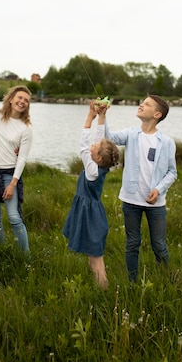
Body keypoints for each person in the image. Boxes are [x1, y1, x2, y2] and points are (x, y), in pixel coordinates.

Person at [104, 95, 177, 282]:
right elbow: (108, 137)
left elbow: (172, 172)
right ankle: (132, 282)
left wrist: (159, 190)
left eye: (147, 104)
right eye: (142, 102)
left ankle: (166, 279)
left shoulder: (166, 142)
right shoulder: (131, 134)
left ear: (157, 114)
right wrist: (102, 116)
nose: (141, 105)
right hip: (131, 201)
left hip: (156, 203)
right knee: (132, 243)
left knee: (159, 244)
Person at [63, 101, 120, 289]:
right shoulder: (99, 165)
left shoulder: (92, 170)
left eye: (95, 147)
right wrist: (101, 117)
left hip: (90, 216)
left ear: (98, 158)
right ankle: (99, 286)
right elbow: (99, 137)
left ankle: (104, 291)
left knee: (96, 260)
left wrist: (89, 117)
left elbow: (83, 146)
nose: (93, 145)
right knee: (93, 257)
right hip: (91, 213)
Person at [0, 85, 33, 253]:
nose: (22, 102)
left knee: (14, 217)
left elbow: (23, 158)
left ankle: (25, 258)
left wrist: (12, 183)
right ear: (11, 99)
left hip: (8, 175)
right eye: (19, 98)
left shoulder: (26, 128)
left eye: (26, 100)